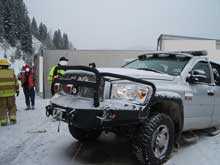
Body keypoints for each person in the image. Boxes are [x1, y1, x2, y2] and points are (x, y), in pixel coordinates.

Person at [0, 58, 19, 126]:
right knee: (12, 106)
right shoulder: (11, 72)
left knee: (2, 107)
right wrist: (17, 90)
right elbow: (16, 82)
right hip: (11, 93)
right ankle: (12, 118)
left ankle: (3, 121)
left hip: (1, 95)